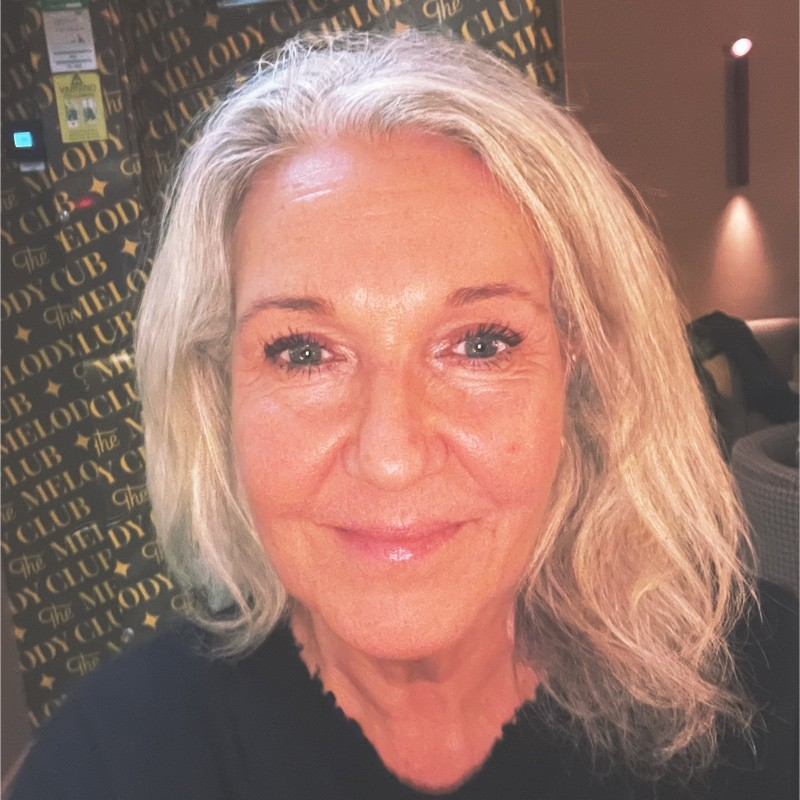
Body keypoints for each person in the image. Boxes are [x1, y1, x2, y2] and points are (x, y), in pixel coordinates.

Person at [9, 29, 797, 800]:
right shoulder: (114, 760)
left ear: (578, 368)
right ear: (220, 392)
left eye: (480, 344)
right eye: (304, 352)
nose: (390, 456)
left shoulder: (773, 686)